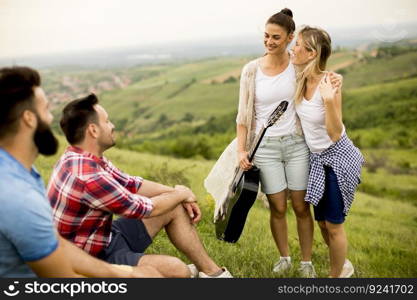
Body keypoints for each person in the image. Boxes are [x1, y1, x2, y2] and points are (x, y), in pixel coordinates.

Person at [47, 93, 232, 278]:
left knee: (172, 204)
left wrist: (177, 193)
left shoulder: (84, 157)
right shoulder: (88, 177)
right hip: (91, 260)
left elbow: (132, 184)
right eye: (107, 121)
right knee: (177, 270)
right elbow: (145, 208)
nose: (113, 126)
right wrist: (181, 194)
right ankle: (179, 274)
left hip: (103, 237)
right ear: (93, 130)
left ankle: (212, 273)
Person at [0, 66, 160, 278]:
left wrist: (125, 274)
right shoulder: (19, 198)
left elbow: (57, 246)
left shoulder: (20, 172)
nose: (50, 119)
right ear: (29, 118)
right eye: (46, 110)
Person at [207, 8, 318, 277]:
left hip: (296, 144)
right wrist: (242, 150)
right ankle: (284, 259)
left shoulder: (299, 66)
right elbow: (243, 116)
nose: (269, 41)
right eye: (266, 36)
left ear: (290, 38)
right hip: (265, 148)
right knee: (278, 206)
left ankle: (306, 263)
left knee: (302, 206)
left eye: (276, 37)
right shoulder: (251, 71)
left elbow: (319, 81)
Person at [291, 26, 365, 277]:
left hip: (338, 158)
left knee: (333, 225)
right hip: (318, 159)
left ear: (311, 53)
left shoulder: (329, 84)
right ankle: (342, 265)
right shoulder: (301, 77)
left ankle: (336, 279)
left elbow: (334, 133)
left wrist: (330, 100)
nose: (293, 48)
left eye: (298, 44)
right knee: (322, 222)